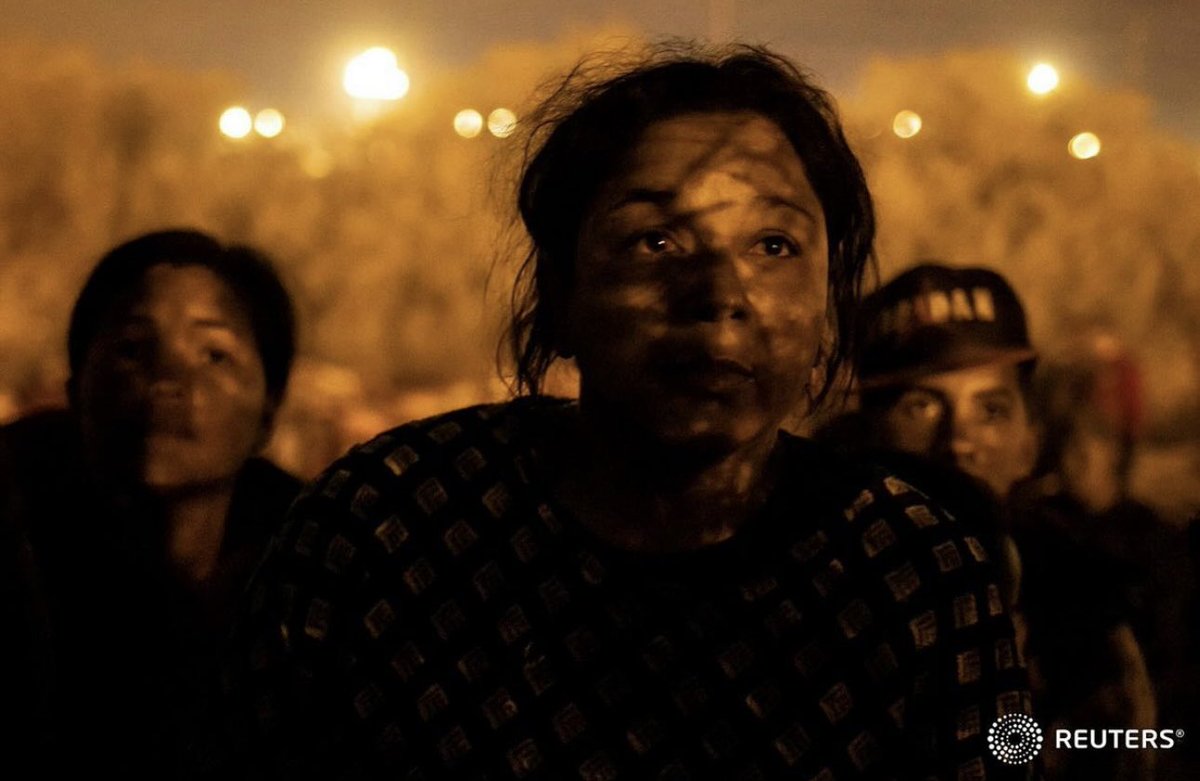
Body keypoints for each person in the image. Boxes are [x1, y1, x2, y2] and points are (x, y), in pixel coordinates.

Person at [238, 45, 1032, 779]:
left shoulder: (913, 574)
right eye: (655, 241)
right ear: (559, 292)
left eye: (774, 245)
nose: (721, 297)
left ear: (830, 308)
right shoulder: (386, 527)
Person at [0, 229, 301, 777]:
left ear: (268, 413)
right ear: (75, 391)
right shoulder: (21, 559)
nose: (168, 381)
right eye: (132, 349)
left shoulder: (309, 586)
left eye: (215, 355)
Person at [845, 263, 1155, 780]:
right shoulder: (811, 603)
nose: (959, 441)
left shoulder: (1086, 612)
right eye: (920, 406)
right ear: (864, 437)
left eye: (990, 411)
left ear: (1028, 446)